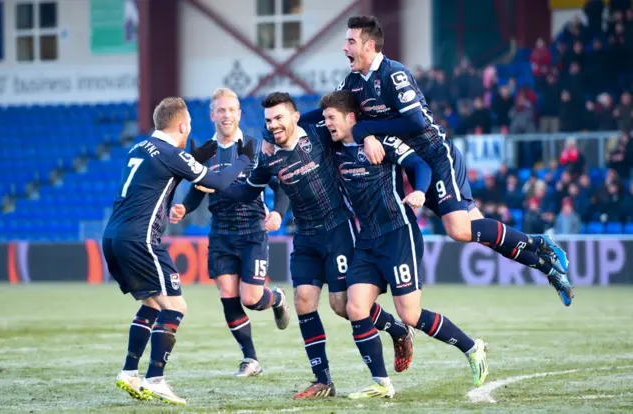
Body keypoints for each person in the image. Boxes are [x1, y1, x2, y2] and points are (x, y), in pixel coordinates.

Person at [292, 15, 573, 306]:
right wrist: (294, 122)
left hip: (437, 156)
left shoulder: (393, 73)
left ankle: (541, 242)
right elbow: (328, 114)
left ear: (369, 45)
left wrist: (367, 130)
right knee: (478, 230)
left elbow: (414, 122)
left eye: (350, 41)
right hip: (415, 165)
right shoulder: (352, 82)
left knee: (459, 229)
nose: (344, 47)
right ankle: (547, 266)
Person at [220, 92, 414, 399]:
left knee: (342, 306)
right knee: (303, 303)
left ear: (296, 117)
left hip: (338, 229)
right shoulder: (268, 155)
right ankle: (323, 379)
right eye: (268, 121)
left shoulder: (319, 133)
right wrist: (211, 182)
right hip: (306, 236)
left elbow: (351, 122)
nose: (273, 126)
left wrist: (370, 137)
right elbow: (247, 191)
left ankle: (397, 329)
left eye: (280, 118)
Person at [320, 89, 489, 398]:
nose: (327, 123)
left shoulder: (382, 142)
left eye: (332, 118)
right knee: (355, 307)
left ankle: (472, 347)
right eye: (325, 119)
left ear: (351, 118)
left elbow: (421, 166)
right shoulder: (332, 149)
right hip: (367, 240)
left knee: (411, 314)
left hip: (399, 235)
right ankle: (381, 384)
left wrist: (421, 191)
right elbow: (302, 124)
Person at [102, 97, 255, 406]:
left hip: (113, 237)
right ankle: (155, 378)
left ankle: (130, 371)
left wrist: (193, 157)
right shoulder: (172, 154)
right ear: (183, 125)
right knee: (176, 306)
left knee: (153, 304)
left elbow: (164, 175)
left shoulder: (139, 147)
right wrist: (244, 161)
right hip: (141, 239)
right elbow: (218, 181)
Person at [168, 88, 291, 377]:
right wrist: (184, 208)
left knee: (250, 298)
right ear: (212, 115)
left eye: (231, 110)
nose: (226, 115)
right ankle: (251, 360)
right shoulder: (203, 152)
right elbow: (199, 189)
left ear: (239, 114)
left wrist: (278, 213)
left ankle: (276, 298)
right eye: (221, 110)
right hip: (221, 232)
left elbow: (281, 186)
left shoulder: (255, 147)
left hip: (252, 232)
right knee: (227, 292)